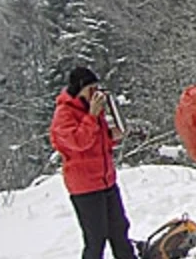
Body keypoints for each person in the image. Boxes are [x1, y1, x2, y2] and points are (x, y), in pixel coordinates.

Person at [50, 66, 136, 259]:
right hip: (85, 187)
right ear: (79, 89)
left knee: (119, 230)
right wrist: (92, 116)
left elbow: (97, 141)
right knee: (96, 239)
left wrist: (112, 136)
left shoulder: (93, 110)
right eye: (91, 89)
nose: (95, 94)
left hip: (106, 180)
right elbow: (78, 143)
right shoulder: (64, 114)